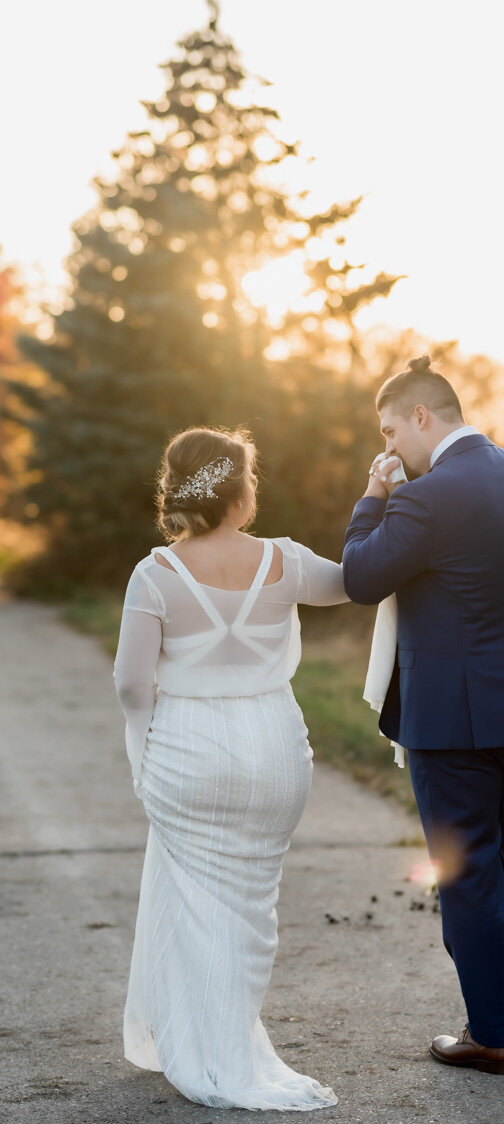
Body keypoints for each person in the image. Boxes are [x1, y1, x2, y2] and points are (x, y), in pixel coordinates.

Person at [342, 356, 504, 1076]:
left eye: (389, 432)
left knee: (466, 870)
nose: (387, 451)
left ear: (422, 416)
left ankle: (492, 1034)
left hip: (455, 719)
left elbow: (358, 577)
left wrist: (372, 501)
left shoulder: (427, 498)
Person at [113, 425, 343, 1112]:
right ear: (240, 494)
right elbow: (358, 581)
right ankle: (227, 1042)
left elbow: (131, 684)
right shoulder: (286, 561)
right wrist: (379, 499)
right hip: (275, 752)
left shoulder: (155, 575)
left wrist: (145, 743)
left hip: (190, 752)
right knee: (251, 908)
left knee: (195, 905)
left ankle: (207, 1050)